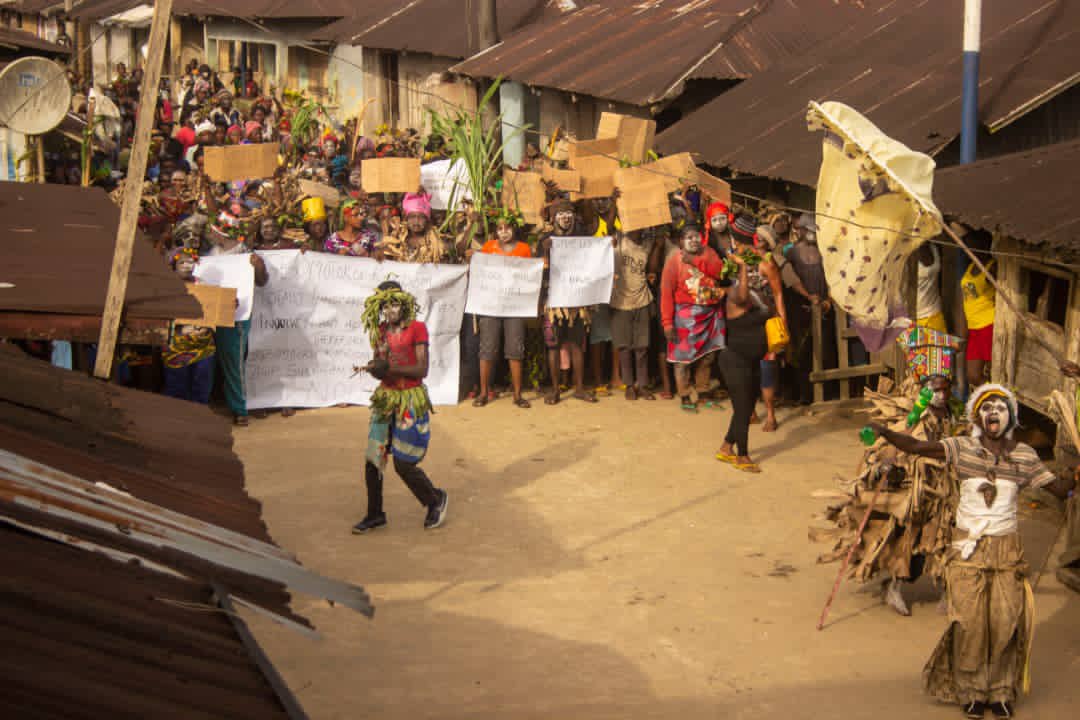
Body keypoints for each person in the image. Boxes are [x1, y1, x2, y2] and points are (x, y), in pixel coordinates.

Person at [869, 384, 1075, 718]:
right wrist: (887, 434)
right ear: (977, 416)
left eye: (1000, 407)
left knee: (1005, 621)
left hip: (1007, 551)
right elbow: (919, 446)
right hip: (967, 552)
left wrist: (1073, 476)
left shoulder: (1024, 456)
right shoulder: (961, 447)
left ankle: (1001, 691)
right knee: (971, 623)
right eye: (986, 408)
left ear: (1011, 417)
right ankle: (972, 691)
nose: (993, 413)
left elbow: (1059, 489)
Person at [352, 281, 448, 533]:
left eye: (394, 303)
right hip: (386, 398)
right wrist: (374, 369)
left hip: (409, 399)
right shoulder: (380, 331)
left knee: (403, 464)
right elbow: (380, 368)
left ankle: (435, 498)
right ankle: (375, 514)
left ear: (403, 303)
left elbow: (421, 369)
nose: (390, 309)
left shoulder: (417, 329)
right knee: (374, 458)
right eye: (385, 305)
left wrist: (388, 369)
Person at [715, 217, 769, 473]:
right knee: (743, 409)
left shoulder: (749, 296)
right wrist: (743, 269)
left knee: (746, 406)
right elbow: (745, 293)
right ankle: (743, 456)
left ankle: (727, 446)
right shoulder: (735, 295)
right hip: (734, 361)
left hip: (751, 360)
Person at [659, 224, 727, 412]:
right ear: (681, 241)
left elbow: (720, 272)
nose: (694, 240)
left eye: (696, 236)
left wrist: (696, 261)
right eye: (689, 237)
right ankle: (685, 395)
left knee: (708, 356)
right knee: (682, 360)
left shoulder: (709, 253)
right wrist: (667, 322)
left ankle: (704, 393)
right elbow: (666, 293)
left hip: (711, 314)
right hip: (685, 317)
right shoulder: (673, 262)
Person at [538, 197, 595, 404]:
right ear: (554, 218)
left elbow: (595, 258)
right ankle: (555, 390)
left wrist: (608, 245)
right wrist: (545, 250)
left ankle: (579, 388)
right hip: (554, 302)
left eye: (568, 213)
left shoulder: (583, 237)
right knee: (553, 345)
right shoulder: (545, 240)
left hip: (577, 301)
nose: (565, 217)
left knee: (577, 346)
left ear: (574, 217)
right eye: (560, 214)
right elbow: (540, 270)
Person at [734, 217, 787, 432]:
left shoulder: (767, 265)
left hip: (765, 324)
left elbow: (778, 296)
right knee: (748, 369)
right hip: (746, 324)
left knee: (766, 368)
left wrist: (783, 326)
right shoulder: (738, 264)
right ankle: (752, 412)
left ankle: (771, 415)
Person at [474, 215, 533, 409]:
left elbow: (530, 275)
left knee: (515, 349)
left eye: (507, 227)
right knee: (487, 348)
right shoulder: (488, 247)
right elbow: (480, 270)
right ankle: (483, 392)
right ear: (495, 231)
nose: (504, 232)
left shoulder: (524, 249)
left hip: (515, 306)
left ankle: (517, 394)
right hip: (490, 305)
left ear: (514, 229)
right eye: (500, 228)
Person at [611, 227, 662, 400]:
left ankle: (642, 385)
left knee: (642, 347)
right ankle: (629, 385)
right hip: (620, 301)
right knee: (624, 348)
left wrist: (657, 246)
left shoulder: (647, 244)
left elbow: (652, 269)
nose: (637, 229)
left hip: (642, 300)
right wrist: (614, 200)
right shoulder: (619, 241)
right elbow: (609, 226)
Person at [162, 247, 215, 403]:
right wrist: (180, 329)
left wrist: (229, 305)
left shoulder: (203, 285)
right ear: (174, 265)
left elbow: (213, 308)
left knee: (202, 383)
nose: (187, 265)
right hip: (176, 343)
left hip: (202, 343)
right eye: (182, 262)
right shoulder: (166, 288)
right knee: (177, 386)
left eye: (190, 261)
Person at [961, 248, 996, 390]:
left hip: (988, 325)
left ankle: (998, 400)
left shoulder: (992, 266)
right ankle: (991, 393)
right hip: (974, 327)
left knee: (994, 370)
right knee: (973, 375)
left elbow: (1004, 291)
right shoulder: (971, 265)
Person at [378, 192, 447, 263]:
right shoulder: (397, 237)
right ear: (406, 218)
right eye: (412, 217)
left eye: (421, 217)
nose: (416, 221)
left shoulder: (436, 242)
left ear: (427, 220)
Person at [917, 243, 948, 332]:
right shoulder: (906, 253)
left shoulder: (935, 248)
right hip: (915, 318)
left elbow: (940, 281)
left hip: (935, 313)